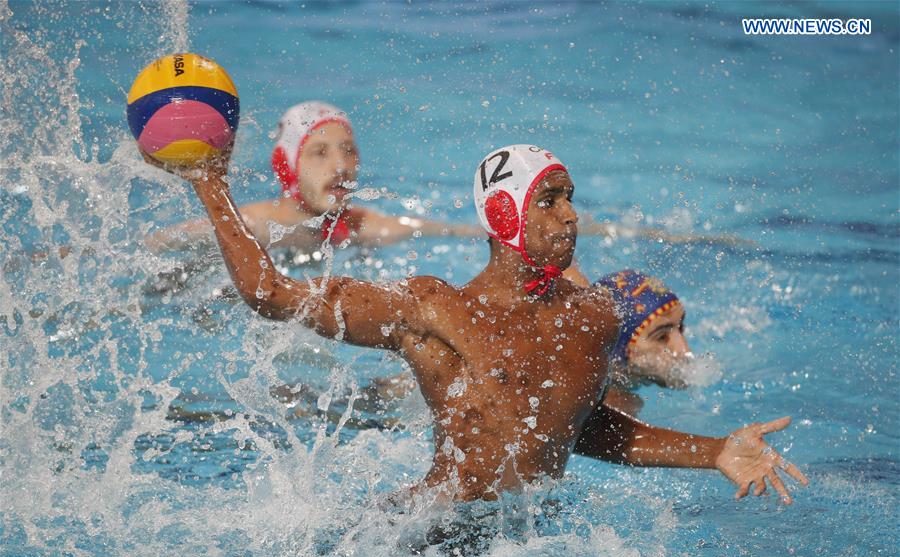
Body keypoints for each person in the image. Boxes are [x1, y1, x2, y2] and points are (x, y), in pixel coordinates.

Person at [141, 142, 808, 508]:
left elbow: (578, 427)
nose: (571, 216)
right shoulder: (434, 308)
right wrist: (209, 184)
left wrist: (712, 450)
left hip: (525, 549)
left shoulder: (593, 318)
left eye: (572, 197)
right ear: (505, 216)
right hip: (420, 544)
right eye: (550, 199)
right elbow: (270, 293)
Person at [144, 101, 480, 253]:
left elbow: (450, 231)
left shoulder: (359, 227)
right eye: (320, 152)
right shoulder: (253, 226)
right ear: (286, 167)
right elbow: (157, 244)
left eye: (348, 150)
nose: (340, 166)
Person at [595, 269, 694, 416]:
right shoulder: (610, 412)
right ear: (617, 350)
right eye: (661, 337)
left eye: (681, 327)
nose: (685, 351)